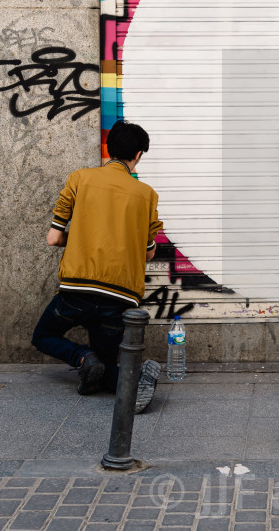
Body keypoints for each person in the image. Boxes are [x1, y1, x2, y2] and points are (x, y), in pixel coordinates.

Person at [31, 119, 164, 413]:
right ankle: (135, 381)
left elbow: (53, 238)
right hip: (119, 298)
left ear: (108, 148)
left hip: (75, 292)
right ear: (138, 155)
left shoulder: (79, 179)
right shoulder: (146, 195)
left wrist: (81, 236)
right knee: (107, 365)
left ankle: (82, 358)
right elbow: (148, 254)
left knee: (43, 336)